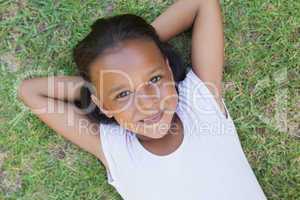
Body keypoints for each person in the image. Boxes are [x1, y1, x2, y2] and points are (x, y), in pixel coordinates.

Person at [17, 0, 267, 199]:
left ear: (168, 70)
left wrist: (141, 42)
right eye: (123, 94)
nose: (148, 102)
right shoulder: (117, 150)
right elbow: (30, 91)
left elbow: (202, 3)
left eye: (155, 79)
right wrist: (99, 87)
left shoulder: (200, 102)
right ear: (103, 105)